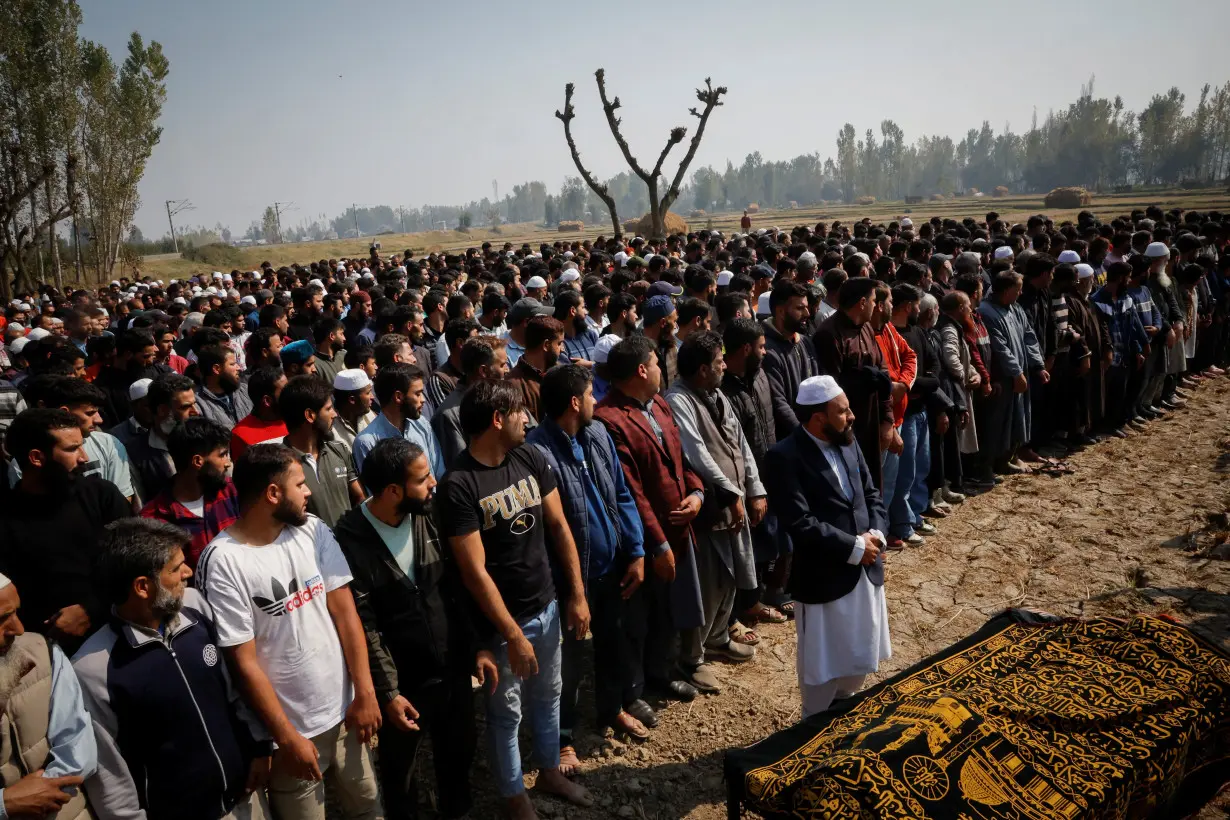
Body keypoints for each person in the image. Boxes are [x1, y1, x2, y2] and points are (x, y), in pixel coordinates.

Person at [195, 443, 383, 820]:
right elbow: (242, 662)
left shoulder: (312, 531)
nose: (309, 492)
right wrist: (285, 737)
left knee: (367, 807)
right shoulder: (223, 562)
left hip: (346, 712)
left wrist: (364, 693)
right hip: (292, 734)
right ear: (273, 493)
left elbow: (346, 614)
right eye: (300, 484)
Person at [435, 380, 592, 820]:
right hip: (503, 624)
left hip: (545, 604)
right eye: (520, 411)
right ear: (497, 420)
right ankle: (512, 796)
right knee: (506, 712)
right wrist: (509, 633)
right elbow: (473, 571)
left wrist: (576, 594)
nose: (529, 418)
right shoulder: (459, 485)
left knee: (549, 694)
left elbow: (559, 527)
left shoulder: (529, 457)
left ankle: (547, 770)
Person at [73, 518, 272, 820]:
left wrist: (259, 747)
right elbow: (109, 770)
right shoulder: (94, 668)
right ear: (142, 587)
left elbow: (234, 689)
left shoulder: (196, 607)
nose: (188, 572)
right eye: (176, 568)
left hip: (247, 798)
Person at [335, 439, 489, 820]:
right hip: (404, 685)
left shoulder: (430, 516)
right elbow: (364, 626)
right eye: (423, 479)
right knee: (400, 772)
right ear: (392, 492)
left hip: (451, 670)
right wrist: (388, 693)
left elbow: (458, 590)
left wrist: (477, 648)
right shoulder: (350, 542)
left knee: (459, 751)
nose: (434, 482)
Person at [527, 365, 651, 769]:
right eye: (590, 394)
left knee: (613, 642)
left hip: (611, 568)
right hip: (570, 582)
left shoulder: (597, 435)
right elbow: (547, 532)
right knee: (569, 662)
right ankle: (563, 738)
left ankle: (611, 708)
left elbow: (621, 493)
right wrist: (573, 592)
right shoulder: (538, 453)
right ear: (574, 402)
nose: (598, 400)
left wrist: (635, 551)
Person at [762, 376, 890, 717]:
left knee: (859, 654)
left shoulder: (848, 441)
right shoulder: (783, 457)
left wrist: (877, 534)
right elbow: (800, 523)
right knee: (823, 663)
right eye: (843, 411)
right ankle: (811, 727)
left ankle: (843, 711)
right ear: (819, 418)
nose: (852, 417)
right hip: (823, 579)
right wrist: (854, 547)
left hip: (865, 568)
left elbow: (871, 494)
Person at [594, 335, 705, 702]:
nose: (662, 369)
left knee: (666, 613)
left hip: (677, 528)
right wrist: (655, 543)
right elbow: (631, 490)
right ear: (642, 370)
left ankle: (661, 674)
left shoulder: (657, 403)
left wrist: (696, 492)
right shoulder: (609, 419)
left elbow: (680, 457)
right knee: (636, 622)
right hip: (642, 542)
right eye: (657, 363)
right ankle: (633, 691)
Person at [665, 332, 764, 688]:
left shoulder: (717, 394)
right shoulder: (679, 400)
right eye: (720, 362)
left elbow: (740, 445)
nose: (725, 365)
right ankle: (691, 659)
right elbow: (696, 452)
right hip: (710, 508)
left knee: (732, 577)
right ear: (703, 368)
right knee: (708, 582)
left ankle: (719, 638)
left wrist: (754, 489)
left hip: (732, 503)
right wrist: (730, 491)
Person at [0, 408, 131, 655]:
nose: (83, 457)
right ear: (37, 458)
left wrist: (90, 610)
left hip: (119, 636)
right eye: (72, 449)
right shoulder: (6, 519)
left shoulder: (102, 496)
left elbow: (135, 563)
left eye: (82, 446)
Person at [0, 572, 98, 819]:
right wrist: (5, 805)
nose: (18, 629)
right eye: (2, 619)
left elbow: (77, 745)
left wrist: (43, 790)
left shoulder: (42, 651)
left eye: (16, 613)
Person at [814, 277, 895, 490]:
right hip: (847, 429)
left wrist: (887, 419)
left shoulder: (866, 327)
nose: (876, 306)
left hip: (872, 421)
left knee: (872, 486)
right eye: (872, 301)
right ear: (861, 303)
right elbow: (831, 389)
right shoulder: (828, 334)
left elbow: (883, 372)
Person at [9, 375, 136, 506]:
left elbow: (123, 499)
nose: (99, 420)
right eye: (90, 413)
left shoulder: (109, 443)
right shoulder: (22, 464)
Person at [140, 417, 240, 569]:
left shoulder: (231, 491)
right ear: (197, 461)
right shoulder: (154, 519)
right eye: (222, 455)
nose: (228, 463)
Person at [979, 270, 1048, 474]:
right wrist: (1016, 373)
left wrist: (1038, 365)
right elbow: (1000, 349)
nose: (1020, 293)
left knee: (1019, 419)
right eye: (1017, 290)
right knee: (999, 421)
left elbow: (1029, 336)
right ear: (1008, 290)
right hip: (1003, 377)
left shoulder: (1015, 308)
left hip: (1021, 374)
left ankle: (1010, 456)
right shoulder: (987, 312)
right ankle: (994, 463)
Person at [280, 375, 364, 528]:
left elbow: (359, 497)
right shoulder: (280, 463)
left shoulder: (339, 450)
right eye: (328, 409)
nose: (335, 414)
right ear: (310, 415)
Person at [353, 363, 444, 478]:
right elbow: (376, 492)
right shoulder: (367, 442)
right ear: (398, 397)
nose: (423, 400)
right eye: (417, 394)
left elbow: (439, 472)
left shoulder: (422, 424)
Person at [432, 337, 510, 470]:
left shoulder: (503, 397)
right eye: (502, 365)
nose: (507, 370)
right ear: (483, 371)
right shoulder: (450, 415)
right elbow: (462, 467)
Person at [507, 315, 563, 423]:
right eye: (559, 344)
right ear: (546, 345)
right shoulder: (513, 386)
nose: (562, 349)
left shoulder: (561, 373)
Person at [230, 367, 288, 460]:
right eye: (285, 392)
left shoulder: (297, 421)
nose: (292, 394)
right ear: (267, 401)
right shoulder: (241, 435)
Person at [425, 318, 480, 411]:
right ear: (460, 343)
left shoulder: (478, 371)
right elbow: (449, 416)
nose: (480, 345)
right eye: (475, 341)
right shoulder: (440, 379)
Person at [196, 344, 253, 431]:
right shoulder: (198, 403)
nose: (239, 368)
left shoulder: (246, 390)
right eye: (232, 364)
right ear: (216, 369)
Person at [331, 368, 378, 449]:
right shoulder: (330, 427)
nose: (372, 397)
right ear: (352, 400)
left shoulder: (370, 414)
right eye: (368, 393)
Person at [311, 318, 347, 385]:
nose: (344, 338)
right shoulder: (314, 365)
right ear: (331, 336)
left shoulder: (343, 355)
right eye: (341, 334)